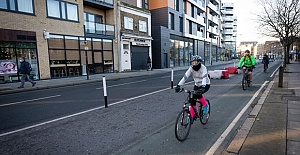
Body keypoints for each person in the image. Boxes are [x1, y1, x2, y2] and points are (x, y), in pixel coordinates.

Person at [175, 55, 210, 123]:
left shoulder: (203, 68)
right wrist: (179, 85)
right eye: (192, 62)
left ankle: (205, 105)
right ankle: (192, 115)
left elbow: (204, 77)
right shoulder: (191, 68)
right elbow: (185, 77)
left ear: (199, 62)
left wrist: (203, 87)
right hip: (197, 85)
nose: (194, 64)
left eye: (195, 62)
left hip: (205, 84)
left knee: (198, 94)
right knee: (192, 99)